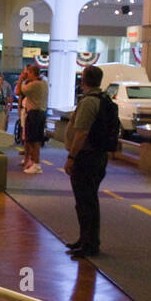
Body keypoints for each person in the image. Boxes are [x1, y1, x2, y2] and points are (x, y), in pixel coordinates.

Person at [64, 66, 113, 257]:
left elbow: (82, 132)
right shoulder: (103, 99)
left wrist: (71, 157)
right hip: (98, 156)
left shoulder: (88, 102)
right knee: (88, 200)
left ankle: (89, 244)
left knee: (85, 202)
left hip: (87, 157)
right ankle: (86, 239)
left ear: (84, 80)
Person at [19, 65, 49, 174]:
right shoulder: (44, 82)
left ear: (32, 73)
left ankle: (36, 164)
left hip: (34, 114)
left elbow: (22, 89)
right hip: (41, 113)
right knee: (34, 140)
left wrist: (22, 79)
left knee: (33, 140)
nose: (27, 75)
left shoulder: (34, 85)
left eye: (28, 73)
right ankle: (34, 162)